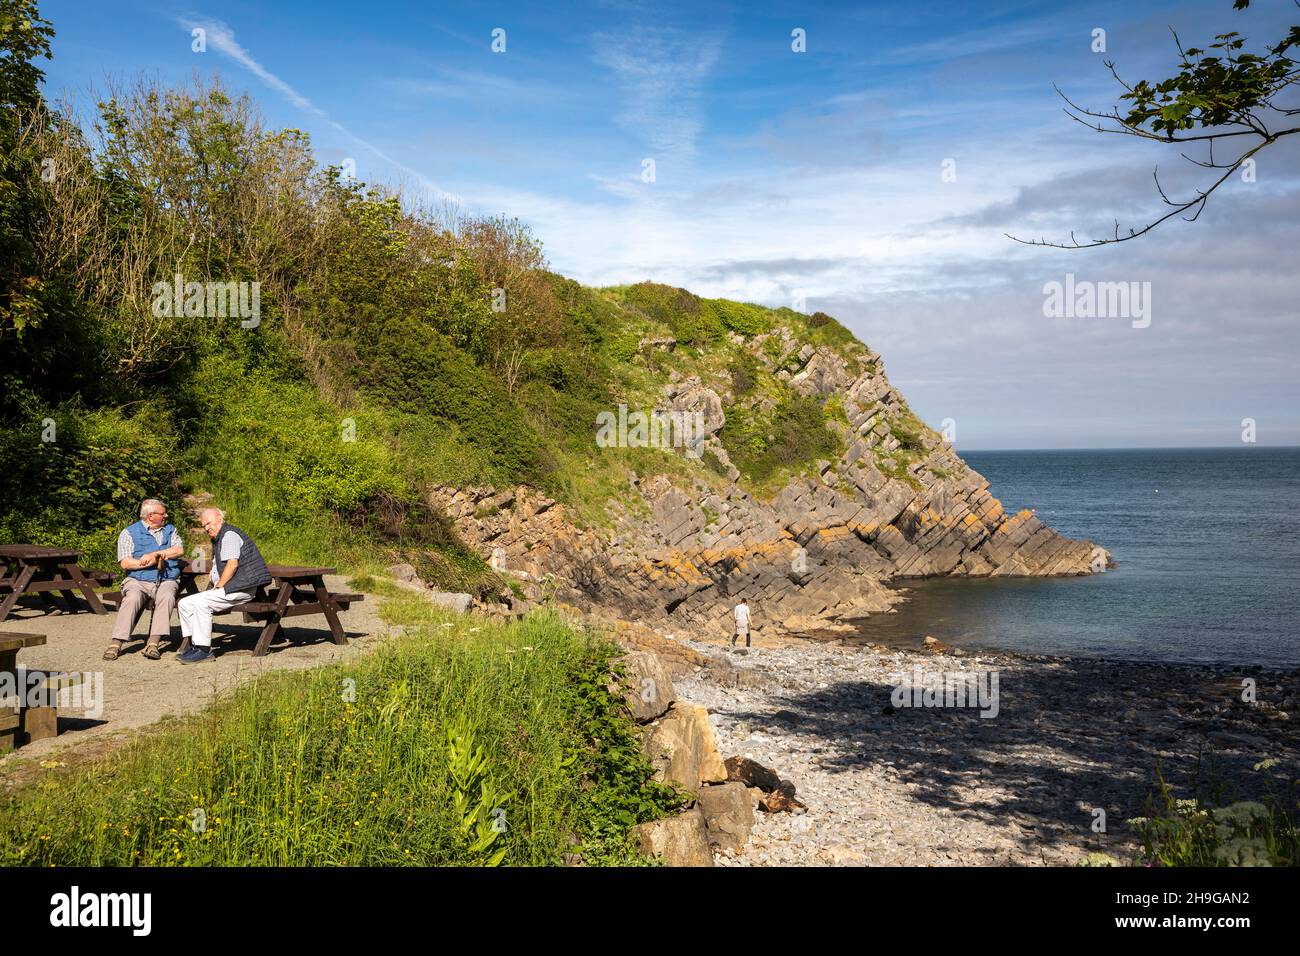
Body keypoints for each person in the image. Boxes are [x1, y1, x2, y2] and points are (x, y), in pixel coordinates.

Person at [175, 508, 272, 664]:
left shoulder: (229, 535)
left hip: (240, 588)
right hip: (231, 587)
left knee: (201, 604)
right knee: (184, 603)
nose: (206, 528)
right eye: (204, 525)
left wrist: (219, 586)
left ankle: (204, 650)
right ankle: (194, 645)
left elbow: (232, 565)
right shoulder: (219, 538)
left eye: (209, 523)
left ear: (219, 519)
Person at [105, 498, 185, 661]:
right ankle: (116, 643)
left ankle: (153, 643)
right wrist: (148, 562)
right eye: (162, 513)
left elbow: (178, 550)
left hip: (166, 579)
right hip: (137, 580)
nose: (166, 516)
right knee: (132, 597)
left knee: (167, 596)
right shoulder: (129, 532)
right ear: (150, 516)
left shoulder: (170, 530)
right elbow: (125, 563)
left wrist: (155, 554)